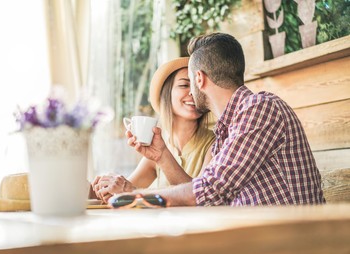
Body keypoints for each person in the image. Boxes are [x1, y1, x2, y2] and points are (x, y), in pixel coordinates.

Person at [116, 32, 325, 207]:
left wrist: (136, 197)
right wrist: (162, 155)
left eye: (189, 81)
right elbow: (205, 194)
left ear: (199, 78)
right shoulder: (227, 131)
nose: (190, 91)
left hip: (294, 245)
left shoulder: (260, 107)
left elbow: (209, 189)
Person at [92, 57, 215, 203]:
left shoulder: (215, 144)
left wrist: (130, 191)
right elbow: (123, 192)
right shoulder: (159, 146)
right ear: (166, 94)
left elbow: (198, 197)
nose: (193, 92)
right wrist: (107, 187)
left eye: (197, 86)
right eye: (184, 85)